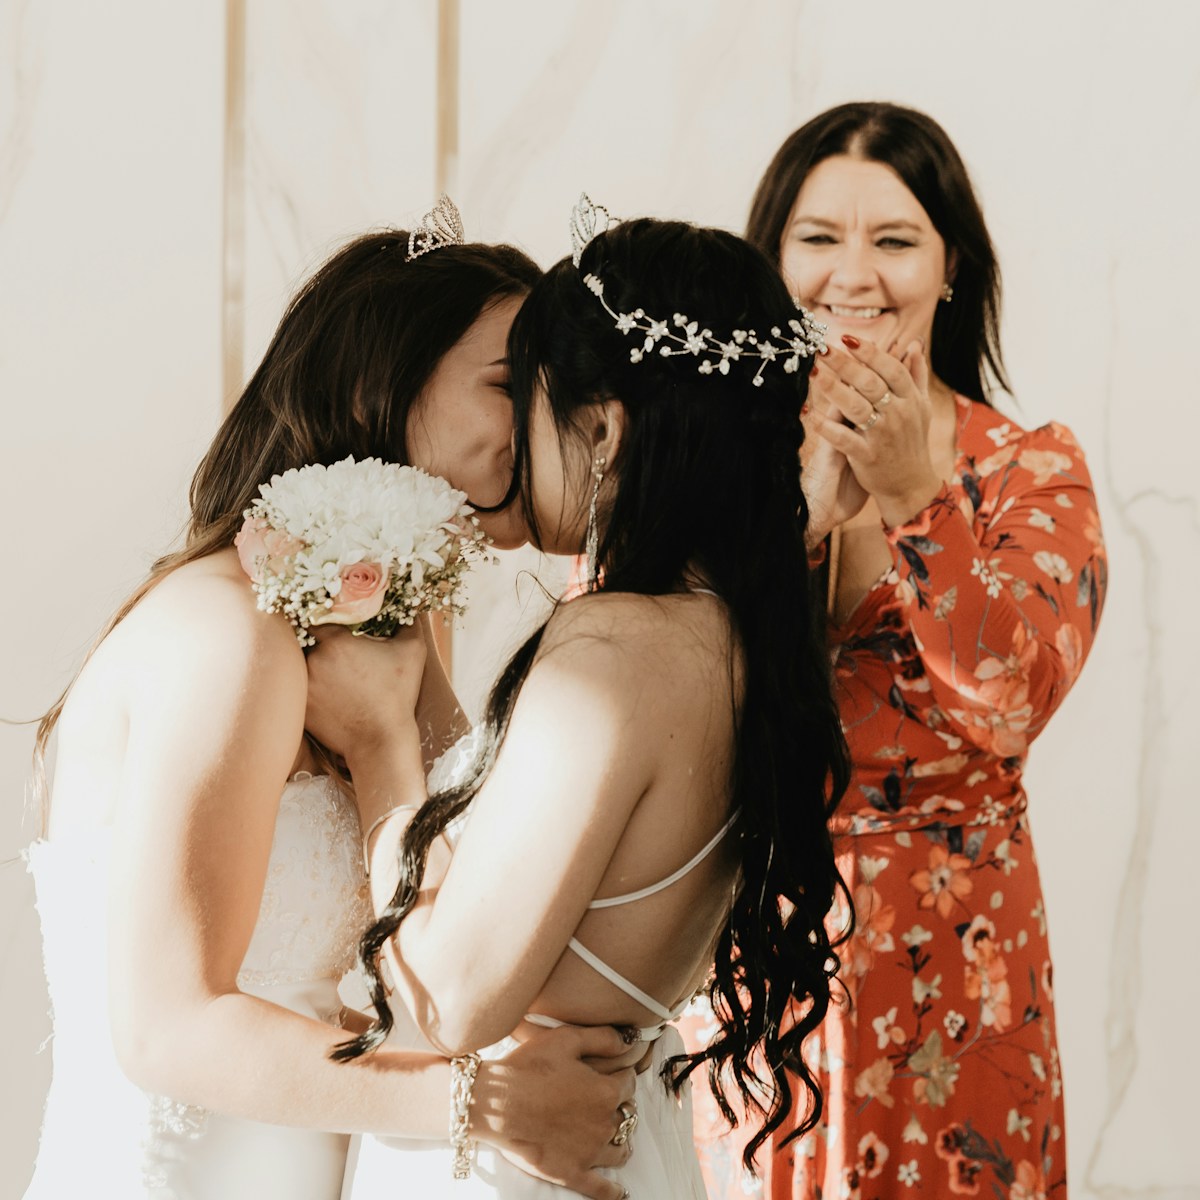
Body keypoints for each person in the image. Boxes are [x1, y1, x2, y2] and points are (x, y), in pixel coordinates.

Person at [23, 208, 642, 1200]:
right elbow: (166, 1027)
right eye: (502, 384)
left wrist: (387, 731)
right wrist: (479, 1101)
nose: (538, 421)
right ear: (374, 381)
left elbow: (445, 918)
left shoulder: (392, 629)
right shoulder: (230, 631)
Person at [298, 209, 850, 1198]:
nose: (513, 440)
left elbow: (456, 997)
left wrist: (379, 741)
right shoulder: (729, 638)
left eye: (528, 396)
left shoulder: (612, 657)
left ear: (603, 428)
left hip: (509, 1169)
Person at [682, 102, 1107, 1199]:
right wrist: (803, 521)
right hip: (751, 928)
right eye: (817, 238)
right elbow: (644, 684)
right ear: (773, 259)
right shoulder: (704, 472)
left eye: (896, 238)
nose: (852, 274)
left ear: (951, 264)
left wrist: (921, 495)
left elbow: (1011, 700)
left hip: (960, 949)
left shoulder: (1032, 471)